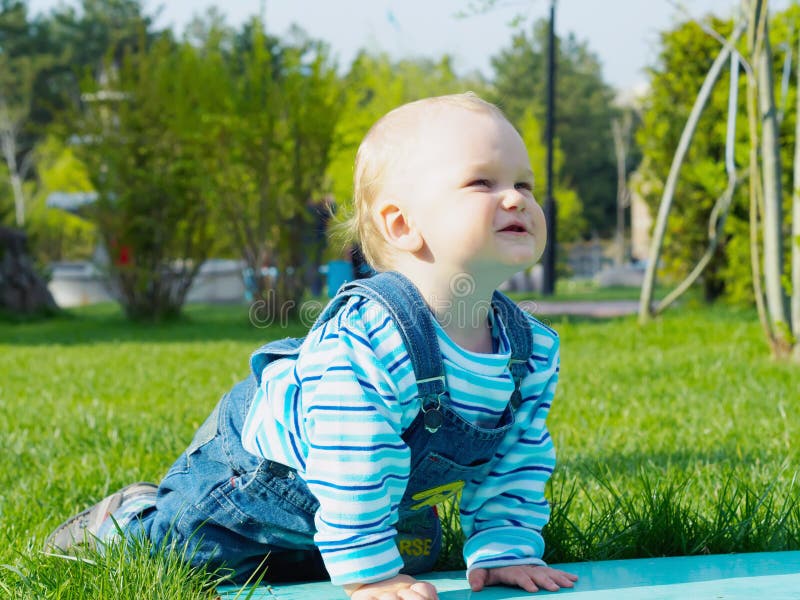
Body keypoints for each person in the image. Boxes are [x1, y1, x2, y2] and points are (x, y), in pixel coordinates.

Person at [45, 93, 578, 599]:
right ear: (401, 224)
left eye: (525, 185)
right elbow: (352, 457)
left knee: (400, 560)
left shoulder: (528, 349)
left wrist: (504, 552)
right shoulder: (372, 339)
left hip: (372, 497)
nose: (517, 198)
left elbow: (515, 460)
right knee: (180, 556)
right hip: (254, 481)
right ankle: (127, 517)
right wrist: (371, 576)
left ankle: (334, 547)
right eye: (482, 182)